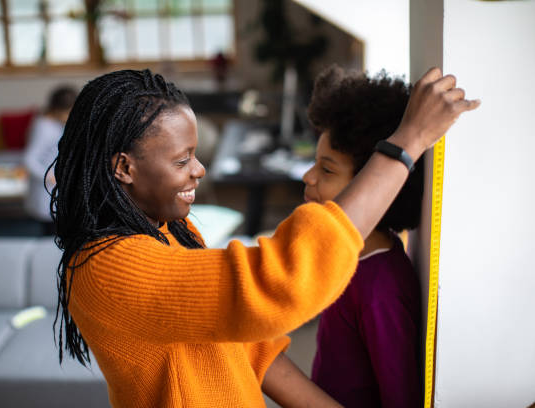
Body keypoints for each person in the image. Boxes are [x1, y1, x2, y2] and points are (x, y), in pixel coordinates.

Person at [51, 68, 479, 407]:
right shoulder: (106, 268)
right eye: (182, 160)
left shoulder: (171, 230)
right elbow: (278, 283)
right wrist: (408, 141)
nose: (199, 170)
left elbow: (250, 343)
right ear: (123, 168)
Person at [304, 66, 424, 407]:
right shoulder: (348, 257)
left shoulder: (380, 288)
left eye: (326, 169)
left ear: (375, 187)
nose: (308, 176)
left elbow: (401, 397)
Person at [23, 85, 77, 234]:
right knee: (51, 232)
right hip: (46, 190)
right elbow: (29, 159)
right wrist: (49, 177)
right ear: (59, 110)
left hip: (55, 190)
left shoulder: (54, 124)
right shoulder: (43, 127)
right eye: (70, 112)